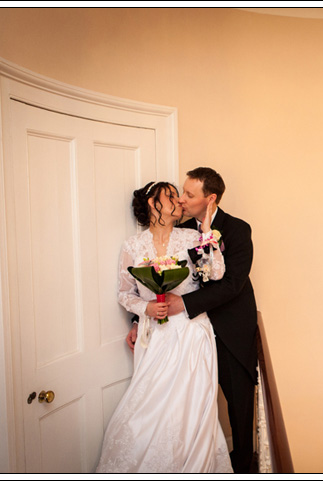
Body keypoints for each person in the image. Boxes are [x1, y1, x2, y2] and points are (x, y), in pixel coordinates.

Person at [126, 168, 259, 473]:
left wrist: (182, 304)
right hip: (184, 334)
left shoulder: (238, 230)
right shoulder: (182, 230)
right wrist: (138, 320)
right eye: (180, 193)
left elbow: (230, 285)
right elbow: (153, 281)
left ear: (210, 199)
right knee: (187, 406)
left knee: (238, 408)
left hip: (228, 332)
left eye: (188, 194)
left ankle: (241, 467)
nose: (182, 200)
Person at [97, 181, 232, 473]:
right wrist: (145, 308)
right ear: (151, 204)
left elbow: (217, 272)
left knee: (190, 408)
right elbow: (124, 293)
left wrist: (207, 233)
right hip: (154, 337)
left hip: (191, 333)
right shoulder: (133, 245)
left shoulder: (190, 237)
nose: (178, 201)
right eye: (169, 196)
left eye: (177, 196)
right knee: (146, 404)